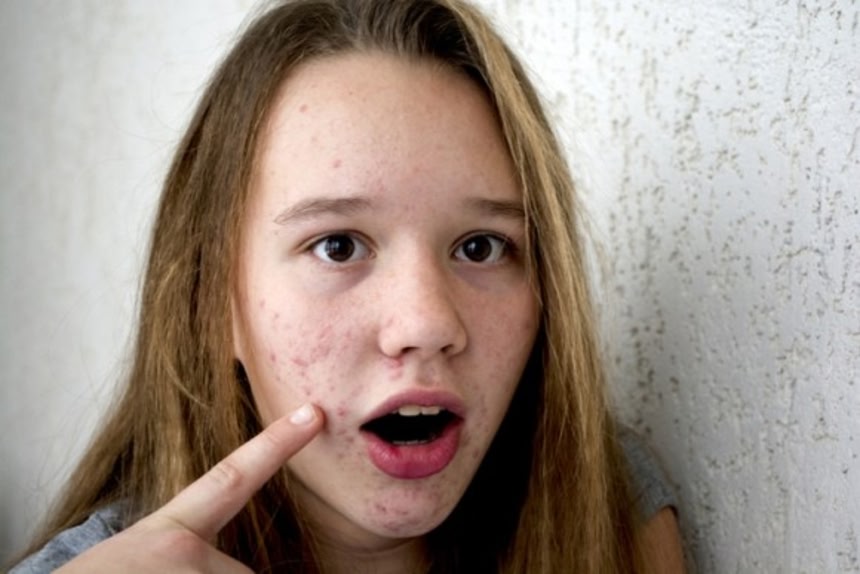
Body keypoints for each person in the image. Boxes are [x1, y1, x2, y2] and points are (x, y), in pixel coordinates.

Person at [10, 0, 685, 572]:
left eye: (480, 247)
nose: (426, 323)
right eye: (338, 246)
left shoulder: (607, 513)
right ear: (209, 303)